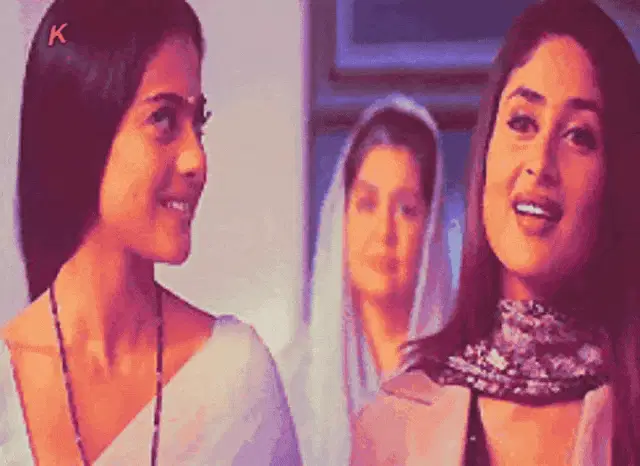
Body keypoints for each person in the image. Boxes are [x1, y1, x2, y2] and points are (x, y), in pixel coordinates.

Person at [0, 0, 302, 464]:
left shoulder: (236, 382)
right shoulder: (7, 382)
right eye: (163, 119)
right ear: (81, 130)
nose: (197, 160)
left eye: (198, 124)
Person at [350, 1, 640, 465]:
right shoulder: (393, 425)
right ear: (486, 149)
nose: (540, 163)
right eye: (522, 122)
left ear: (617, 178)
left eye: (579, 136)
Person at [292, 94, 454, 466]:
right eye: (367, 204)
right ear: (343, 214)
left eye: (406, 210)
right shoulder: (293, 380)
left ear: (431, 227)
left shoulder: (466, 378)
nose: (385, 231)